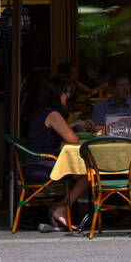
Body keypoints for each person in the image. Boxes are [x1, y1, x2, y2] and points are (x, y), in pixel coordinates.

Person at [24, 73, 91, 231]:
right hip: (42, 165)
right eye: (66, 92)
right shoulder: (53, 114)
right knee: (89, 173)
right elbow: (73, 139)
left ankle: (59, 209)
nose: (68, 96)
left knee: (83, 171)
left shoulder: (44, 112)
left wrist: (73, 124)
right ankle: (61, 208)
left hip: (35, 162)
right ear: (57, 93)